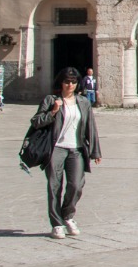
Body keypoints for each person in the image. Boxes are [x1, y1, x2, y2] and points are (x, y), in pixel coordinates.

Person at [32, 68, 101, 239]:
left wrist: (95, 151)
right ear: (61, 83)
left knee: (76, 185)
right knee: (54, 186)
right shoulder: (51, 100)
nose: (70, 85)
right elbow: (36, 122)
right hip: (55, 148)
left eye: (73, 82)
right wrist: (53, 111)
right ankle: (56, 224)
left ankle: (67, 216)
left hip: (76, 149)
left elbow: (90, 126)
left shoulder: (83, 102)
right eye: (67, 82)